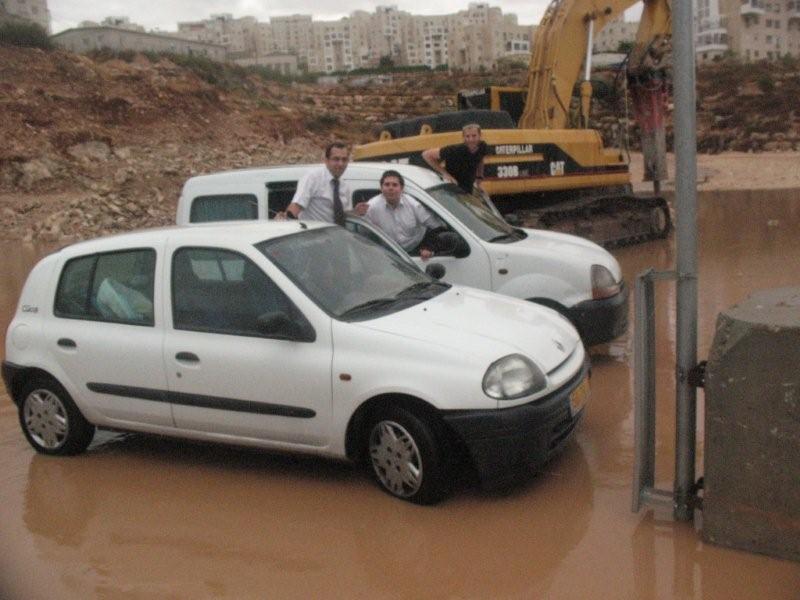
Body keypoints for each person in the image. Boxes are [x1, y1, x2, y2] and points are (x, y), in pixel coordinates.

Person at [364, 170, 444, 261]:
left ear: (402, 188)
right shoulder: (372, 206)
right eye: (387, 184)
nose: (391, 188)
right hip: (389, 255)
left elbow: (437, 226)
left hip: (416, 251)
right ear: (381, 188)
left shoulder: (413, 204)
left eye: (395, 185)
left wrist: (429, 247)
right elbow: (363, 231)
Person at [284, 142, 367, 224]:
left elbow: (342, 215)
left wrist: (355, 212)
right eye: (336, 159)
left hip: (336, 235)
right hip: (313, 235)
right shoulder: (313, 178)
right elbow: (297, 205)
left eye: (344, 160)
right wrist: (286, 223)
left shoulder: (345, 187)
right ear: (326, 161)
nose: (341, 164)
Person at [421, 123, 488, 193]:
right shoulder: (455, 150)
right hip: (452, 187)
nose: (471, 139)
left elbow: (480, 159)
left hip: (468, 187)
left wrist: (479, 178)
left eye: (474, 136)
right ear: (463, 138)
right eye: (467, 136)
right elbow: (426, 154)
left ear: (480, 136)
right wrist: (445, 174)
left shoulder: (482, 146)